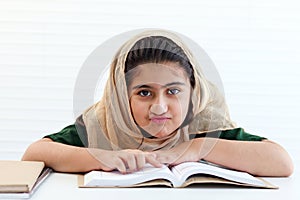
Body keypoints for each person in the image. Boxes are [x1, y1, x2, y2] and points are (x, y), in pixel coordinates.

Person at [22, 29, 293, 176]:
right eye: (144, 93)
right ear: (121, 95)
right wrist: (103, 157)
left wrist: (195, 147)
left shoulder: (203, 122)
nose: (160, 107)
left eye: (173, 91)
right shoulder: (104, 122)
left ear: (192, 92)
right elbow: (34, 154)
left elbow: (281, 162)